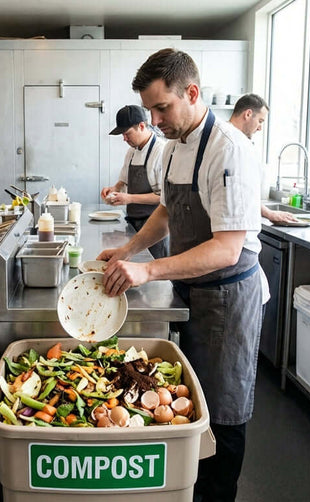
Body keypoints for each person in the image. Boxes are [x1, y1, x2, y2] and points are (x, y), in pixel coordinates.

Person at [98, 48, 263, 501]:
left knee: (224, 412)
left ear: (192, 93)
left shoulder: (229, 151)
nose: (154, 118)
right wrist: (128, 250)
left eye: (162, 107)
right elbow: (169, 210)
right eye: (149, 109)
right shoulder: (173, 148)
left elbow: (227, 249)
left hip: (226, 299)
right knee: (186, 402)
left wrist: (148, 269)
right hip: (191, 290)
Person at [101, 104, 169, 259]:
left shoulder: (161, 151)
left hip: (155, 229)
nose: (124, 139)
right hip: (132, 225)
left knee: (156, 278)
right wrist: (113, 189)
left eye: (127, 134)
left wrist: (129, 198)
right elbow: (122, 183)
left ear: (142, 126)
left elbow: (164, 197)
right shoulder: (131, 152)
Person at [228, 94, 299, 224]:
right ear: (248, 114)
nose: (260, 128)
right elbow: (240, 193)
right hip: (237, 229)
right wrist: (269, 213)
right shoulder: (234, 144)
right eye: (260, 121)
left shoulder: (237, 141)